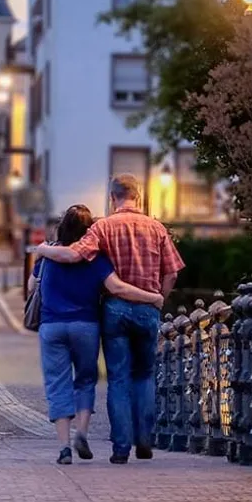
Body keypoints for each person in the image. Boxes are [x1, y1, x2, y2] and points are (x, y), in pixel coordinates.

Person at [35, 175, 184, 464]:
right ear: (138, 197)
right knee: (144, 375)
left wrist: (41, 250)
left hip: (114, 310)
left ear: (112, 198)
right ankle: (144, 437)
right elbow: (173, 272)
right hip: (147, 309)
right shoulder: (157, 228)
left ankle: (120, 448)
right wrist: (157, 298)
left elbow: (74, 254)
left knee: (117, 377)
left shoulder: (102, 227)